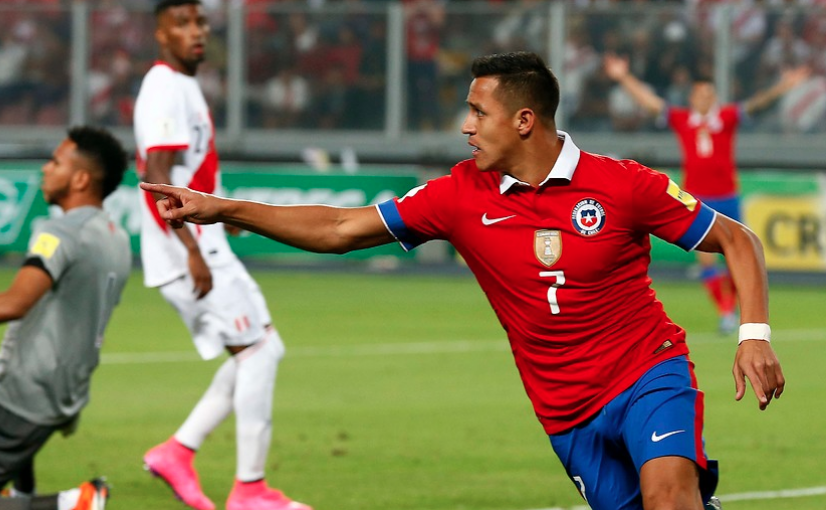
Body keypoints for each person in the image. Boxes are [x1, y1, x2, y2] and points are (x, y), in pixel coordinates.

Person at [140, 51, 786, 510]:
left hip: (649, 371)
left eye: (478, 111)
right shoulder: (457, 196)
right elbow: (339, 228)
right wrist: (223, 208)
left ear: (525, 121)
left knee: (669, 499)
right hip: (565, 410)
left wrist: (753, 333)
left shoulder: (624, 184)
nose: (465, 125)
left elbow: (736, 238)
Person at [133, 2, 310, 510]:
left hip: (200, 238)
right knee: (259, 351)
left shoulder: (181, 85)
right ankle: (249, 490)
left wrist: (223, 211)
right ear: (159, 32)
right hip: (186, 246)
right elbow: (157, 174)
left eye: (201, 22)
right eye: (183, 23)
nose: (197, 32)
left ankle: (178, 452)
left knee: (258, 349)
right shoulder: (165, 84)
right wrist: (191, 249)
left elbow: (185, 172)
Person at [0, 125, 132, 510]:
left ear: (81, 178)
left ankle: (72, 504)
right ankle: (23, 497)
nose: (44, 169)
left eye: (55, 162)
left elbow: (15, 303)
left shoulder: (61, 232)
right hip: (63, 390)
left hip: (22, 397)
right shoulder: (116, 238)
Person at [603, 53, 809, 334]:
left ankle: (733, 305)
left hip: (728, 197)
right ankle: (725, 311)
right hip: (697, 198)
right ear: (692, 97)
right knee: (707, 260)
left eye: (709, 94)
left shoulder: (725, 118)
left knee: (737, 256)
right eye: (700, 94)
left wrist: (784, 87)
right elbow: (650, 104)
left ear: (714, 97)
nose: (705, 99)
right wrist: (623, 77)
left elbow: (756, 104)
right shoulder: (682, 119)